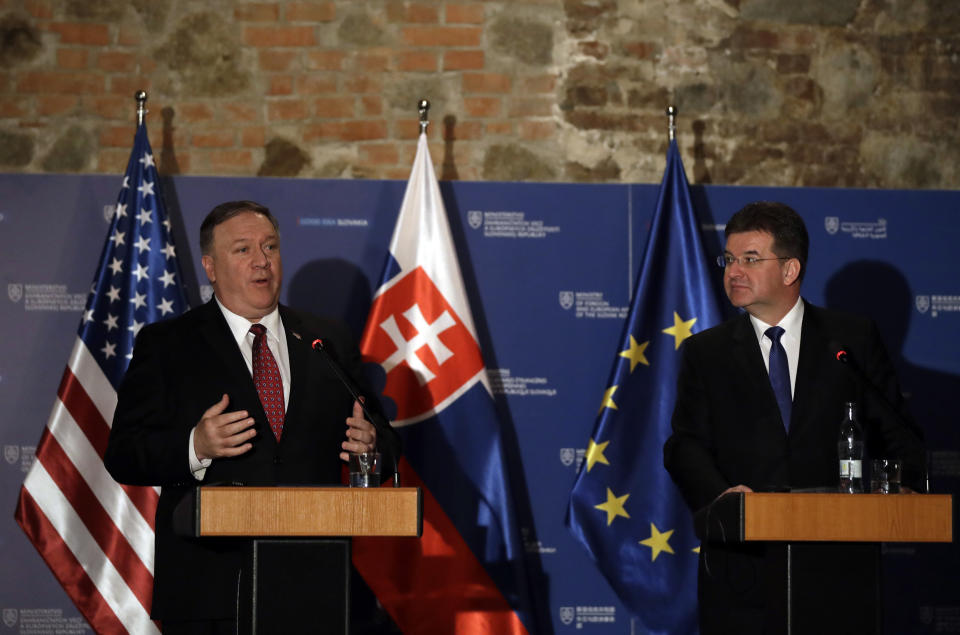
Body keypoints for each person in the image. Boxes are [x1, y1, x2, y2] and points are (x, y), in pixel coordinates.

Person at [105, 200, 400, 634]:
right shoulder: (169, 344)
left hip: (317, 585)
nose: (262, 261)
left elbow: (386, 441)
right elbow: (124, 453)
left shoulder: (325, 340)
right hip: (210, 591)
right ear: (210, 266)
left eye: (270, 246)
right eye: (243, 249)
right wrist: (195, 447)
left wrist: (371, 444)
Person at [663, 201, 924, 634]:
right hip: (742, 566)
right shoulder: (705, 352)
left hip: (839, 566)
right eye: (729, 259)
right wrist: (724, 495)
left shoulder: (850, 340)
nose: (733, 271)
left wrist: (907, 480)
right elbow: (684, 443)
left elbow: (895, 431)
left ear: (790, 270)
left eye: (750, 259)